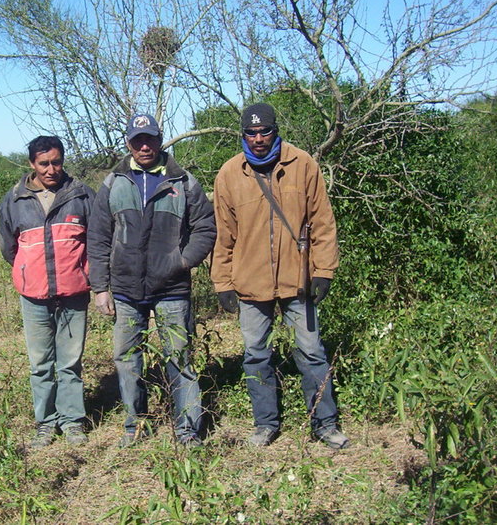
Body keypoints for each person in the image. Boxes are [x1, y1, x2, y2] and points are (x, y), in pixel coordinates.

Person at [211, 103, 350, 449]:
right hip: (250, 282)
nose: (258, 139)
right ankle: (265, 424)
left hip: (297, 278)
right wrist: (223, 281)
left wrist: (324, 271)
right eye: (251, 133)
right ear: (242, 135)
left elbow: (323, 222)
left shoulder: (303, 165)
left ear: (276, 130)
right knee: (256, 354)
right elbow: (223, 235)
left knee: (312, 351)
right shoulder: (229, 174)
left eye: (265, 131)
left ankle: (325, 423)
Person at [88, 114, 216, 448]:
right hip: (127, 291)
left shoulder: (183, 182)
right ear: (128, 142)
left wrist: (182, 261)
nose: (145, 146)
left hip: (172, 289)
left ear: (161, 139)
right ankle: (135, 425)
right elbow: (98, 237)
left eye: (151, 139)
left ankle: (187, 429)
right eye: (138, 139)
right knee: (127, 359)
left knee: (180, 358)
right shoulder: (114, 183)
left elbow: (205, 227)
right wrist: (101, 287)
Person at [0, 136, 95, 448]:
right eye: (43, 163)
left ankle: (73, 422)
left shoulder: (81, 195)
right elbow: (8, 248)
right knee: (40, 364)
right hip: (33, 296)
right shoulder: (14, 200)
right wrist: (30, 271)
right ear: (31, 164)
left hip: (73, 293)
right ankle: (45, 423)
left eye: (56, 162)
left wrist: (84, 273)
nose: (51, 169)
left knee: (70, 362)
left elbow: (98, 242)